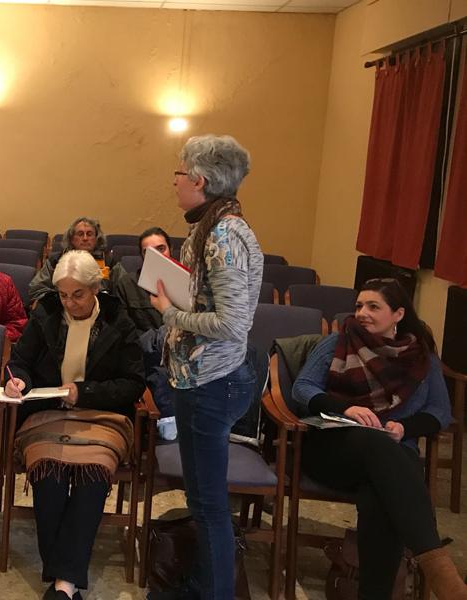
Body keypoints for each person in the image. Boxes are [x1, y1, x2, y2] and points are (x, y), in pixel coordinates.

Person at [292, 278, 465, 599]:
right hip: (335, 447)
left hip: (393, 456)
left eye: (373, 306)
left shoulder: (421, 357)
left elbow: (440, 412)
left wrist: (404, 428)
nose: (362, 313)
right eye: (359, 305)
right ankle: (443, 576)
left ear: (398, 314)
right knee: (380, 449)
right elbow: (302, 389)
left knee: (380, 494)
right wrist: (349, 409)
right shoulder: (337, 343)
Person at [150, 134, 263, 599]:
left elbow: (233, 322)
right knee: (201, 501)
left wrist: (169, 311)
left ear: (199, 180)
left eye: (178, 173)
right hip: (197, 378)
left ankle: (214, 592)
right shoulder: (207, 226)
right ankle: (202, 584)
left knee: (211, 506)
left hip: (213, 383)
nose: (174, 182)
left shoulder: (225, 234)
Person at [4, 250, 144, 600]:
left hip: (102, 416)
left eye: (77, 294)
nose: (69, 302)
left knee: (92, 479)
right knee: (48, 476)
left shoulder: (119, 321)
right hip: (48, 411)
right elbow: (20, 360)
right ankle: (65, 584)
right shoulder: (47, 313)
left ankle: (61, 585)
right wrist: (17, 381)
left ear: (95, 288)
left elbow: (133, 383)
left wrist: (83, 393)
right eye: (64, 295)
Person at [112, 227, 175, 416]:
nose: (157, 256)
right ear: (142, 256)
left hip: (189, 353)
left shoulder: (188, 283)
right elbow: (124, 334)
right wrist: (160, 337)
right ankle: (170, 431)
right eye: (149, 252)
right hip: (150, 357)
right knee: (164, 375)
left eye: (161, 249)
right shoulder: (127, 284)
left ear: (171, 250)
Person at [28, 217, 126, 301]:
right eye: (80, 234)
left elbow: (125, 290)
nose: (85, 238)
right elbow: (37, 288)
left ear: (96, 238)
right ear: (71, 238)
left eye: (89, 234)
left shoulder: (109, 261)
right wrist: (59, 301)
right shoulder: (56, 260)